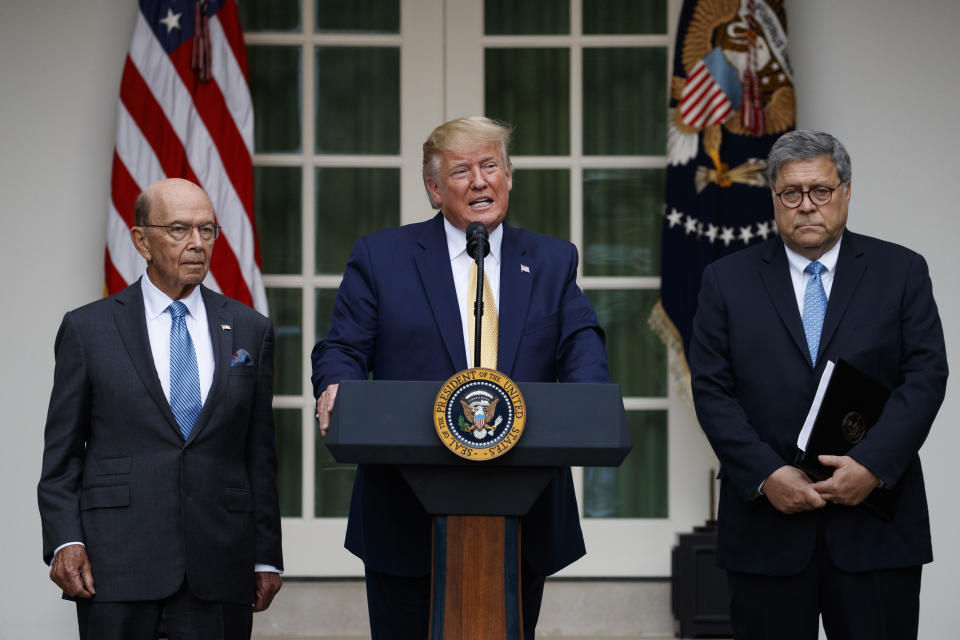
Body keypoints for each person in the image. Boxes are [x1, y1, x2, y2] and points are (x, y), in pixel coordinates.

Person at [312, 116, 609, 638]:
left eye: (490, 166)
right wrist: (336, 382)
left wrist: (587, 403)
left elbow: (580, 343)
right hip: (404, 511)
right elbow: (342, 346)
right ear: (433, 189)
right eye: (461, 171)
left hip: (523, 507)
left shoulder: (551, 260)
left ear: (509, 176)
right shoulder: (381, 257)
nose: (479, 181)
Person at [689, 130, 948, 639]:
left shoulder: (901, 272)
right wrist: (767, 474)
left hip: (876, 530)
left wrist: (872, 463)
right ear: (774, 198)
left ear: (846, 192)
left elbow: (926, 376)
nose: (806, 206)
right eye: (791, 192)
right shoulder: (726, 281)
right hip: (767, 532)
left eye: (821, 191)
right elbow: (712, 391)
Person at [38, 178, 283, 639]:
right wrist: (65, 541)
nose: (196, 244)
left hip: (220, 564)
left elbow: (259, 454)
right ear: (141, 240)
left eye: (206, 230)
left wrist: (266, 554)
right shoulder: (88, 329)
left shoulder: (250, 330)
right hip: (116, 564)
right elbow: (62, 454)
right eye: (178, 229)